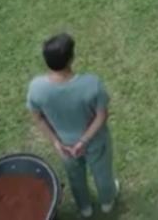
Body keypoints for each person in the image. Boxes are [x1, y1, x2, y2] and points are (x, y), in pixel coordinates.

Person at [27, 34, 119, 218]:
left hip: (64, 145)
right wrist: (83, 141)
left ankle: (84, 208)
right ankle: (107, 202)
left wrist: (55, 142)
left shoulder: (36, 88)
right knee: (102, 172)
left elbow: (38, 118)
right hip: (95, 141)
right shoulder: (91, 84)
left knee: (74, 177)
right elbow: (102, 116)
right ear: (71, 58)